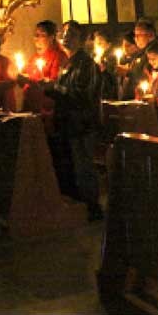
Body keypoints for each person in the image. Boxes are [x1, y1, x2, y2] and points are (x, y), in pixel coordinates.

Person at [43, 21, 104, 221]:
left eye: (72, 34)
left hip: (82, 124)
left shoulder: (87, 64)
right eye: (64, 33)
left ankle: (92, 207)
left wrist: (54, 88)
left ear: (82, 40)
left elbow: (82, 95)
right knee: (72, 165)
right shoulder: (67, 63)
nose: (66, 37)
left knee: (84, 166)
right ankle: (78, 204)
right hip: (67, 122)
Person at [121, 18, 155, 99]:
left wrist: (128, 72)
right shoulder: (140, 53)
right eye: (135, 35)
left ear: (150, 35)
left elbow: (147, 75)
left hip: (143, 97)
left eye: (139, 35)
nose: (135, 38)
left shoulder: (154, 52)